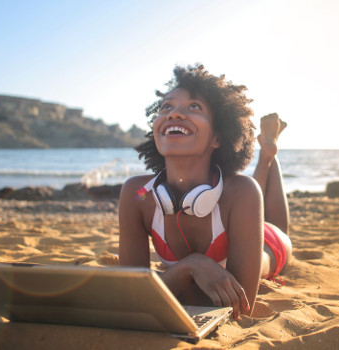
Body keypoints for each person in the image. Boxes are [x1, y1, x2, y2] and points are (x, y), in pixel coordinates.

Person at [118, 65, 292, 319]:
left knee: (273, 228)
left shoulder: (242, 192)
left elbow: (240, 306)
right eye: (166, 107)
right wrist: (190, 266)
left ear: (217, 138)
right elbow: (130, 296)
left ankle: (267, 155)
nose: (174, 114)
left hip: (269, 242)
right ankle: (266, 152)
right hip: (242, 223)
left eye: (193, 107)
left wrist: (175, 277)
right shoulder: (137, 194)